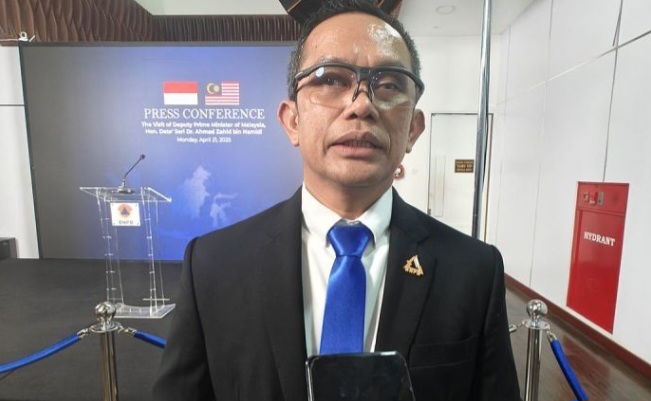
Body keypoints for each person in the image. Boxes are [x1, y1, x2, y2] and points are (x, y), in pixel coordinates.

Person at [153, 1, 521, 400]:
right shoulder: (214, 265)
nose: (361, 105)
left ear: (413, 129)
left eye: (389, 84)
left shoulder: (473, 272)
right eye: (330, 79)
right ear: (292, 120)